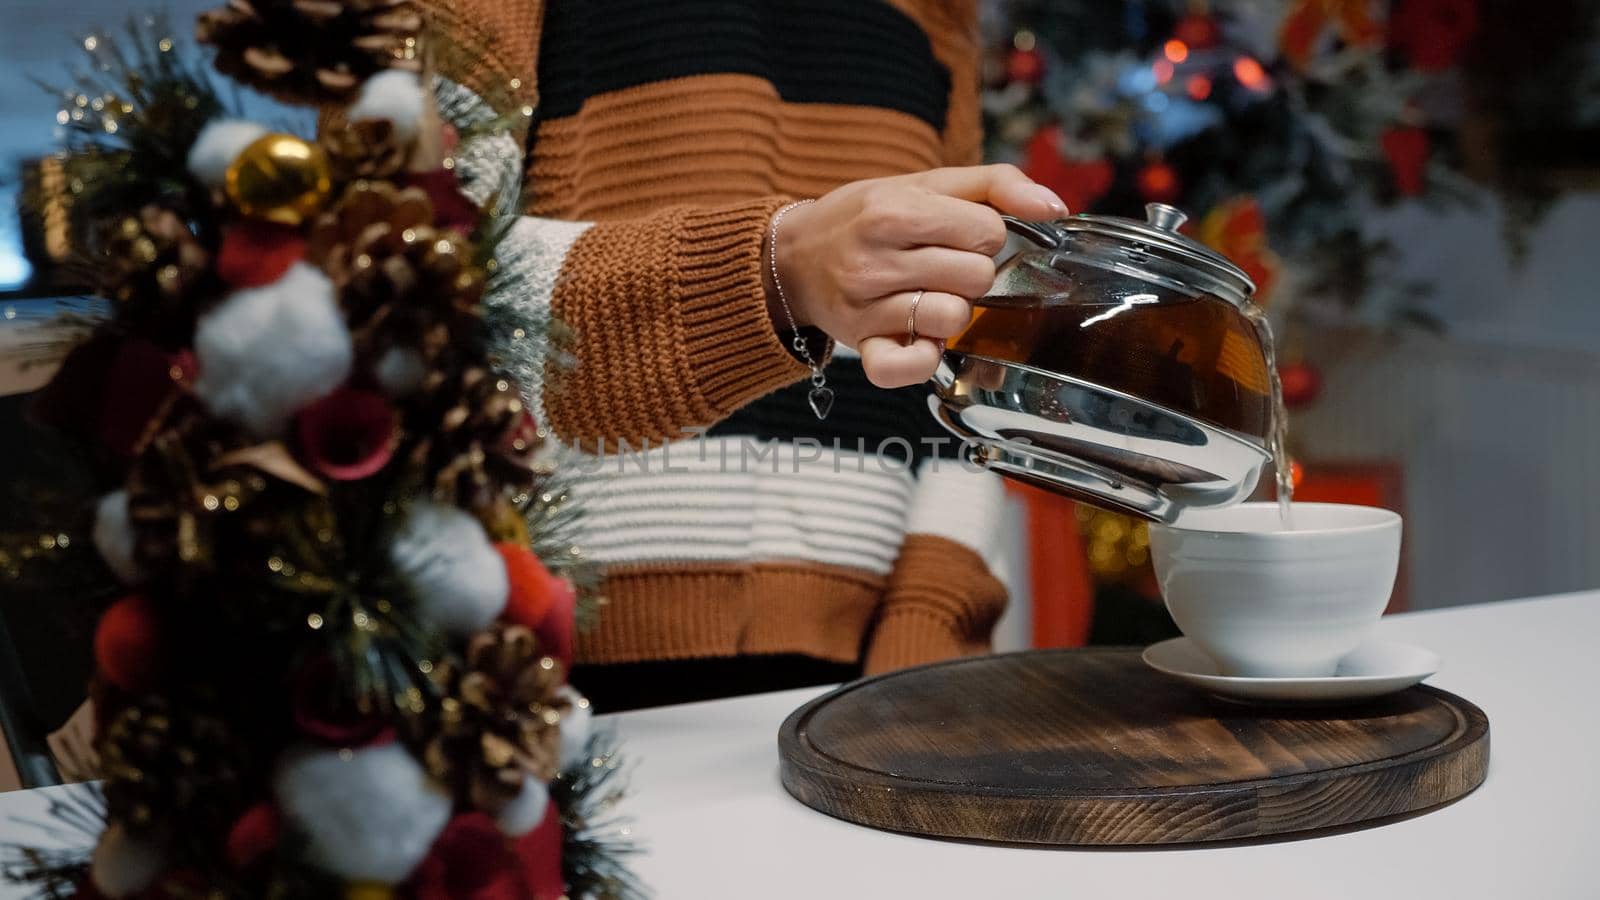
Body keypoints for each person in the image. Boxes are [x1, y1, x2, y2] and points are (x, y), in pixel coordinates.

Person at [429, 0, 1069, 710]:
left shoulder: (938, 13)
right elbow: (416, 278)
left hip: (867, 677)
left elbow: (961, 361)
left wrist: (928, 631)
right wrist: (773, 273)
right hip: (549, 672)